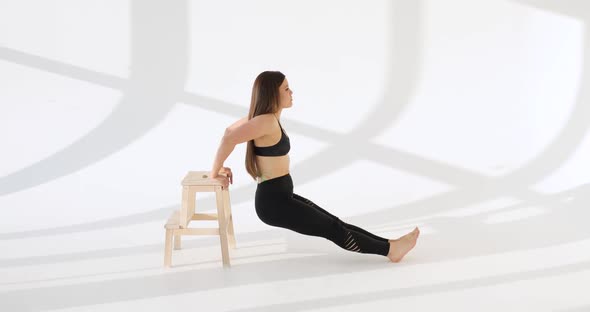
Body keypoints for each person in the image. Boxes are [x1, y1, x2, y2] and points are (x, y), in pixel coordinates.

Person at [210, 71, 419, 262]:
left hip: (281, 197)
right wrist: (215, 171)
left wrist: (220, 166)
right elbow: (229, 136)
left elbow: (230, 130)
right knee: (333, 229)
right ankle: (390, 251)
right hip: (274, 203)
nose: (291, 92)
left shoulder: (266, 119)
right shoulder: (266, 121)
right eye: (286, 89)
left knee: (335, 223)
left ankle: (390, 245)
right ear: (273, 94)